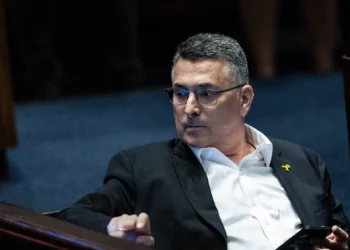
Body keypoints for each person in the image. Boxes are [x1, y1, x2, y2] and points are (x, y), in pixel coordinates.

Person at [55, 33, 349, 250]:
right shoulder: (143, 167)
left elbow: (338, 232)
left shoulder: (302, 161)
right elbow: (70, 218)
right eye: (181, 93)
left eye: (206, 93)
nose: (190, 107)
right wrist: (111, 227)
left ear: (244, 99)